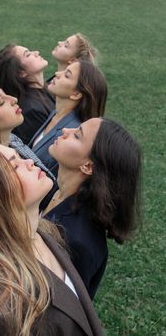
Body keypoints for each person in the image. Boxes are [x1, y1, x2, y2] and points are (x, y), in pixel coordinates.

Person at [0, 140, 105, 335]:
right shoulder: (0, 310)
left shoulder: (45, 234)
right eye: (15, 165)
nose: (29, 162)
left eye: (19, 156)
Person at [42, 118, 142, 299]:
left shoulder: (77, 241)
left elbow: (59, 309)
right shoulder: (52, 189)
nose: (65, 130)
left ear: (88, 166)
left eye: (77, 135)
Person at [29, 59, 107, 179]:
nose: (57, 73)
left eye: (66, 75)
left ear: (76, 94)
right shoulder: (56, 114)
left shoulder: (70, 133)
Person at [0, 44, 55, 144]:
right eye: (28, 54)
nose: (36, 53)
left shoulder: (45, 88)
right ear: (21, 73)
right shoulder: (31, 110)